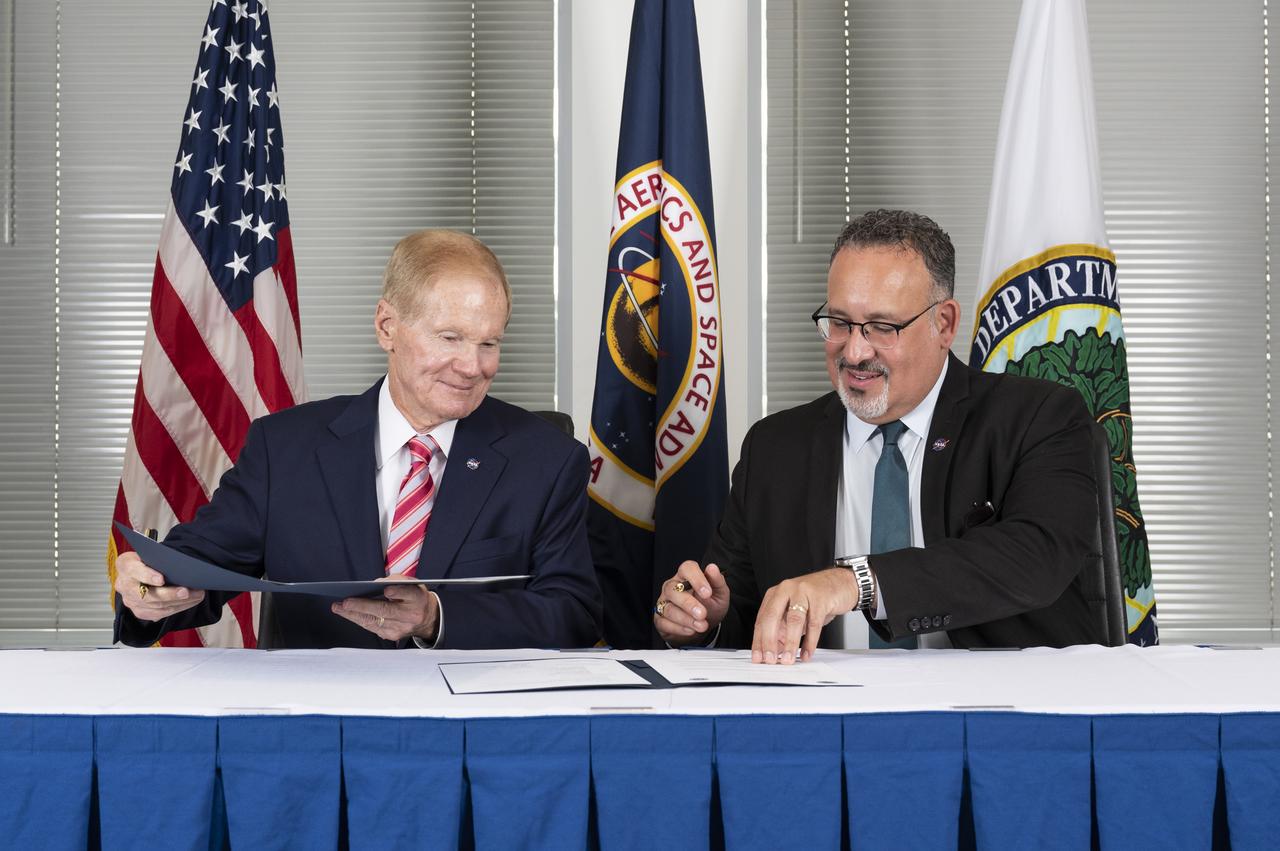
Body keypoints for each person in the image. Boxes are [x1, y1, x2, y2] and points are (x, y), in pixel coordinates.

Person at [114, 229, 602, 649]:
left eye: (489, 343)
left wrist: (435, 617)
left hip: (472, 725)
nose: (473, 367)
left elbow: (574, 613)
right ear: (387, 326)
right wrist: (150, 591)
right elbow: (199, 566)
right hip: (316, 725)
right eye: (450, 338)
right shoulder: (284, 448)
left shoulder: (549, 459)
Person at [653, 209, 1104, 662]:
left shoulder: (1040, 417)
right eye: (840, 322)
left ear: (944, 324)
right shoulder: (774, 447)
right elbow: (743, 618)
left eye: (882, 327)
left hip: (1000, 711)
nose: (854, 350)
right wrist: (701, 621)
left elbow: (1035, 558)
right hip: (826, 714)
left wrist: (854, 583)